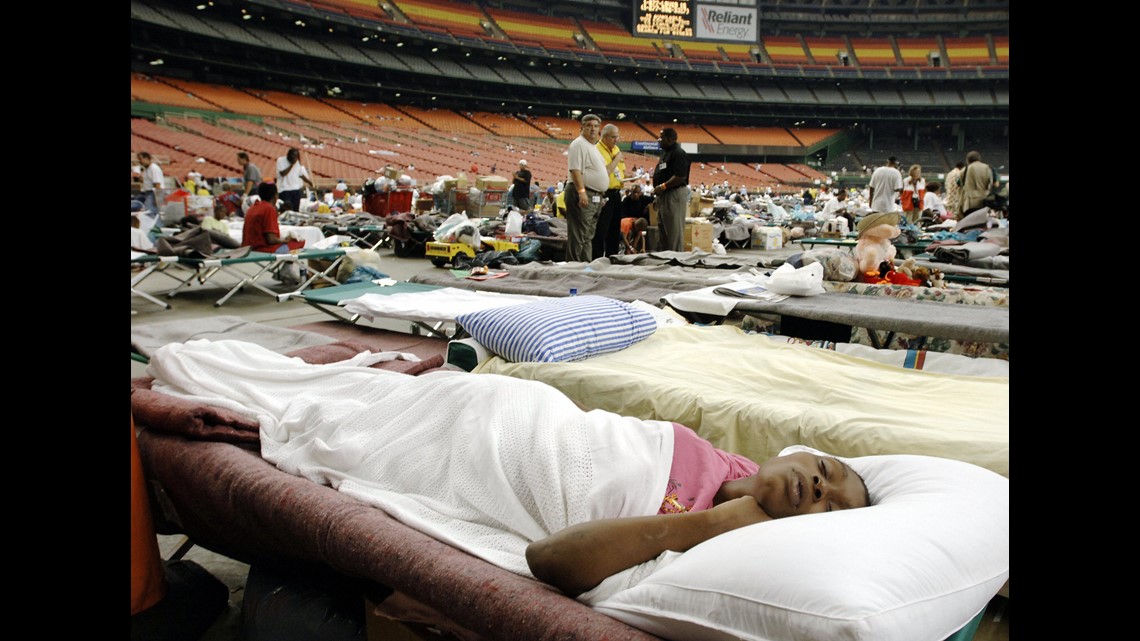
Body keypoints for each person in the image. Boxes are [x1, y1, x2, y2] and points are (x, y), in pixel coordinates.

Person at [526, 432, 870, 597]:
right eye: (824, 468)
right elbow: (622, 430)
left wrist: (713, 524)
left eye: (828, 508)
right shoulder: (736, 465)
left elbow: (550, 558)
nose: (821, 486)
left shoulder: (715, 547)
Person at [563, 114, 610, 262]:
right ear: (581, 127)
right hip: (583, 193)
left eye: (596, 126)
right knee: (578, 234)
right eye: (589, 125)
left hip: (594, 195)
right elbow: (575, 170)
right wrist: (581, 192)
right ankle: (574, 266)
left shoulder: (592, 146)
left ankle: (585, 266)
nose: (593, 129)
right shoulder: (578, 144)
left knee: (588, 235)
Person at [651, 128, 692, 252]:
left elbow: (680, 176)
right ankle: (665, 258)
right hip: (664, 195)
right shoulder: (665, 153)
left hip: (674, 194)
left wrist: (662, 186)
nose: (658, 139)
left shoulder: (679, 153)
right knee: (664, 230)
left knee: (674, 231)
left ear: (670, 139)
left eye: (661, 137)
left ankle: (675, 260)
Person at [241, 182, 305, 254]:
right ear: (275, 196)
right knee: (300, 242)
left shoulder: (252, 207)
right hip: (262, 250)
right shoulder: (269, 209)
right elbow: (271, 240)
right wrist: (284, 241)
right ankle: (287, 264)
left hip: (247, 248)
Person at [593, 123, 627, 258]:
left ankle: (612, 257)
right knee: (601, 229)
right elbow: (605, 172)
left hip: (616, 193)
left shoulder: (616, 148)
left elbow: (621, 170)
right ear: (605, 137)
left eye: (617, 137)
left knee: (614, 229)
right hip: (603, 193)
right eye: (613, 137)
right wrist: (617, 158)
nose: (616, 140)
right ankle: (597, 258)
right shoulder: (597, 150)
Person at [276, 147, 315, 213]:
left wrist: (309, 182)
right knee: (287, 211)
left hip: (295, 190)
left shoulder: (297, 162)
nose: (294, 158)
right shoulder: (281, 160)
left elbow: (301, 175)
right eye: (293, 156)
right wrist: (292, 164)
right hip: (284, 190)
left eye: (296, 156)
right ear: (289, 155)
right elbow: (283, 173)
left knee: (295, 210)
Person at [959, 150, 994, 217]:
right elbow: (990, 183)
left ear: (968, 160)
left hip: (970, 200)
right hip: (984, 200)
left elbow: (960, 183)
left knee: (970, 221)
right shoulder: (987, 168)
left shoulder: (965, 169)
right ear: (979, 158)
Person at [138, 151, 165, 223]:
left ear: (147, 158)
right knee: (152, 211)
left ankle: (157, 228)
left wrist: (157, 198)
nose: (140, 161)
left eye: (141, 159)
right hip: (148, 192)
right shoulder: (147, 169)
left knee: (150, 211)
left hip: (153, 193)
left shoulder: (153, 168)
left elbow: (157, 183)